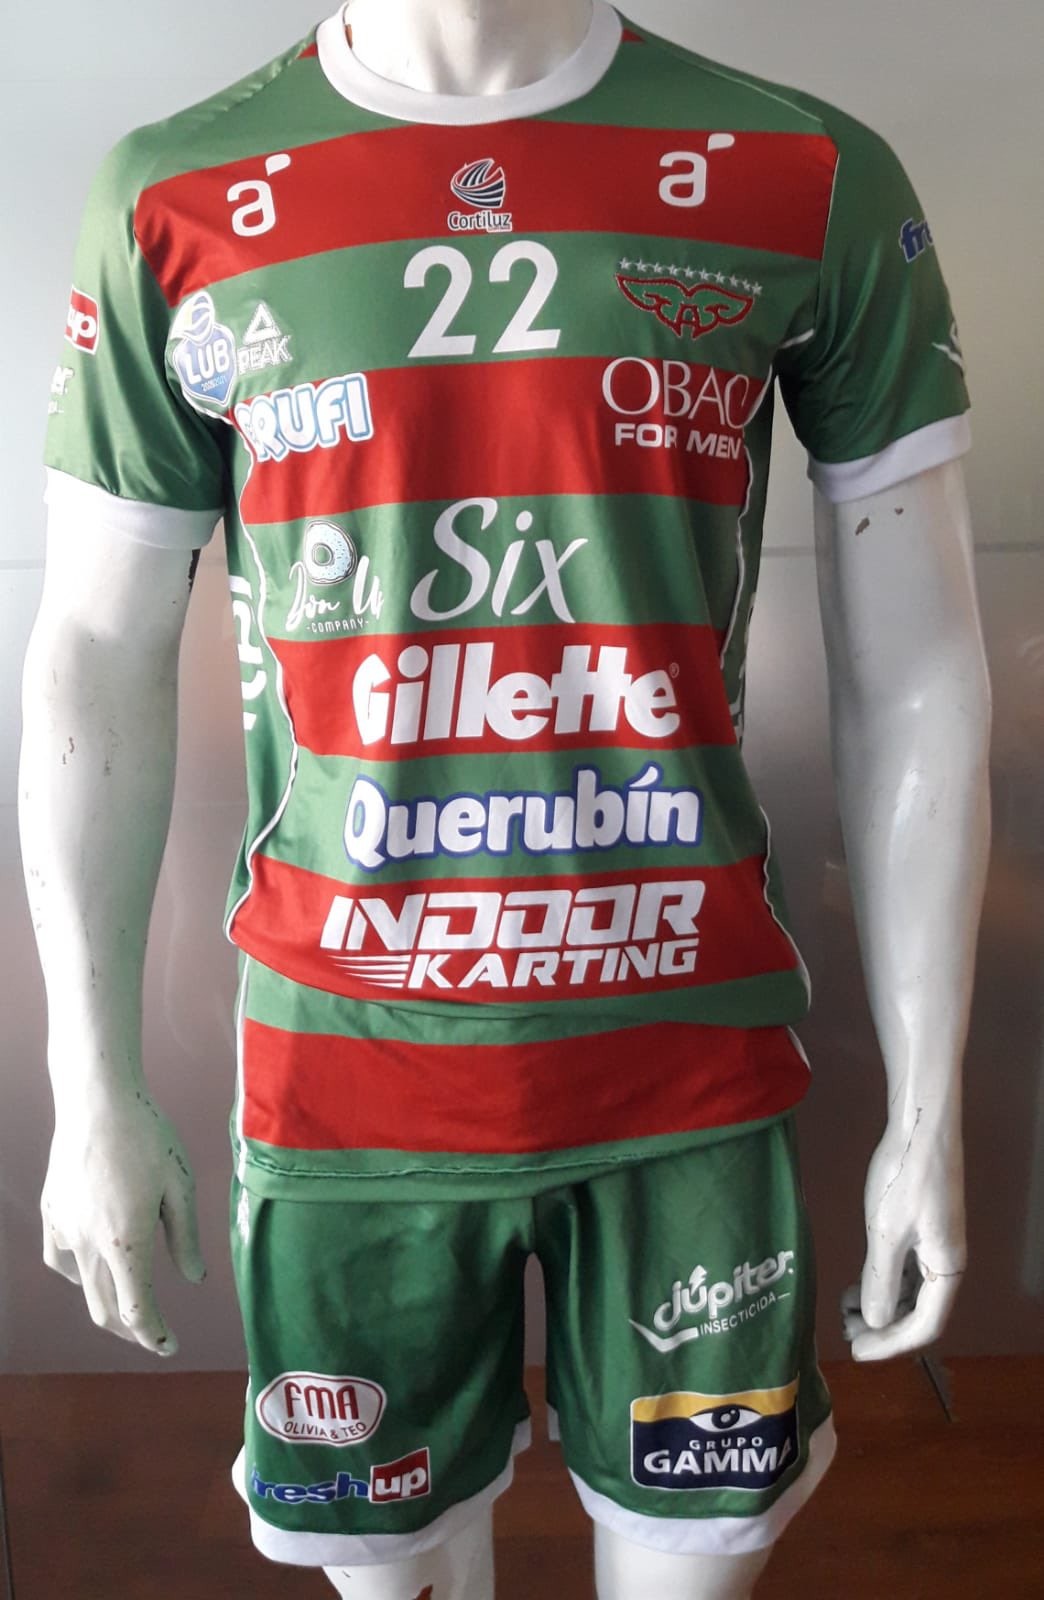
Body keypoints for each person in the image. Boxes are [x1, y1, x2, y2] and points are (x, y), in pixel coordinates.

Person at [20, 3, 991, 1596]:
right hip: (346, 1091)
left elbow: (922, 673)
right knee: (392, 1566)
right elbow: (94, 654)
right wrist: (89, 1084)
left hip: (688, 1079)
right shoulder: (174, 194)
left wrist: (929, 1109)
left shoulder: (803, 173)